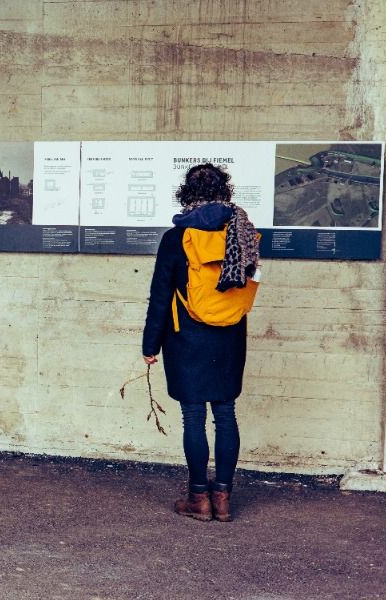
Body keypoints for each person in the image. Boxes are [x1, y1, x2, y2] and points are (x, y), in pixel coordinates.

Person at [141, 163, 260, 523]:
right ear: (225, 191)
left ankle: (198, 499)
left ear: (186, 194)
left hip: (186, 340)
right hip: (229, 336)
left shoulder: (175, 238)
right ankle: (222, 498)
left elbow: (160, 297)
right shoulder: (241, 230)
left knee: (193, 416)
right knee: (225, 414)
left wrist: (150, 346)